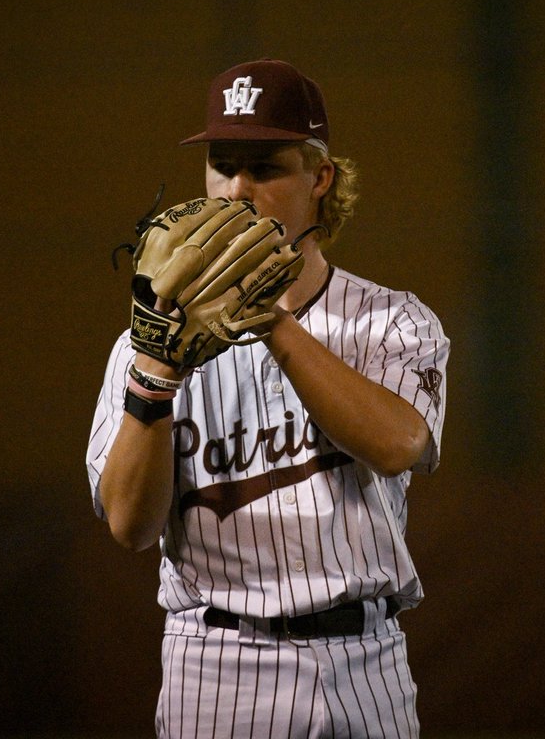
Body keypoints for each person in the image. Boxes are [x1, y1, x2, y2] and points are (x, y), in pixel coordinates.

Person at [86, 59, 450, 738]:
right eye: (223, 166)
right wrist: (155, 375)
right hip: (218, 664)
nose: (239, 190)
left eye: (266, 168)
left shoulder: (392, 321)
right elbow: (131, 527)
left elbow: (399, 445)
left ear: (321, 178)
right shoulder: (144, 347)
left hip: (362, 661)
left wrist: (271, 321)